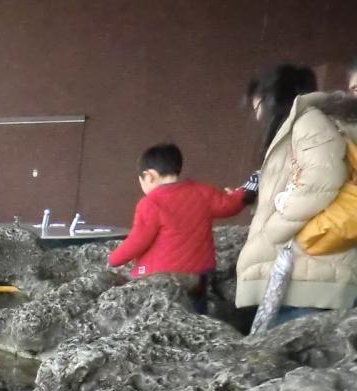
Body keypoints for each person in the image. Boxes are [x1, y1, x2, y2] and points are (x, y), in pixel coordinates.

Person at [236, 65, 357, 328]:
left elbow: (322, 178)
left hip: (304, 277)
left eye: (258, 106)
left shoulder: (308, 122)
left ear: (273, 98)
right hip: (304, 274)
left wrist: (274, 228)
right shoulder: (316, 122)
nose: (258, 115)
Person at [108, 143, 247, 313]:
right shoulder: (203, 191)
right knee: (196, 313)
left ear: (148, 176)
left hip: (161, 276)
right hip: (198, 272)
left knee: (160, 314)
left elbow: (138, 240)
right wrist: (239, 194)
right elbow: (229, 206)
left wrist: (114, 259)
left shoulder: (150, 203)